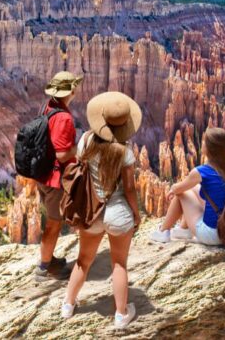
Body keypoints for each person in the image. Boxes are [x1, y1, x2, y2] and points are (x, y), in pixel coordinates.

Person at [61, 92, 142, 329]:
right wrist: (136, 215)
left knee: (83, 261)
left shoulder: (86, 140)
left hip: (92, 212)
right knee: (119, 264)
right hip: (118, 214)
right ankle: (121, 314)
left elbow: (81, 167)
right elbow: (129, 189)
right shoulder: (125, 152)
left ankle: (68, 305)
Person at [33, 71, 83, 281]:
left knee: (54, 220)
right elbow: (62, 154)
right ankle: (43, 268)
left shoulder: (49, 107)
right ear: (71, 90)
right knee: (54, 223)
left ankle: (49, 259)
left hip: (43, 174)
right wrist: (78, 148)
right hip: (54, 180)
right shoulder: (63, 118)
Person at [149, 128, 225, 246]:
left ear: (210, 148)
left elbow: (178, 189)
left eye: (204, 141)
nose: (202, 143)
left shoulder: (202, 172)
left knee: (181, 194)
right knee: (193, 189)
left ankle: (163, 231)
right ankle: (183, 230)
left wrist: (173, 188)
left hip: (212, 234)